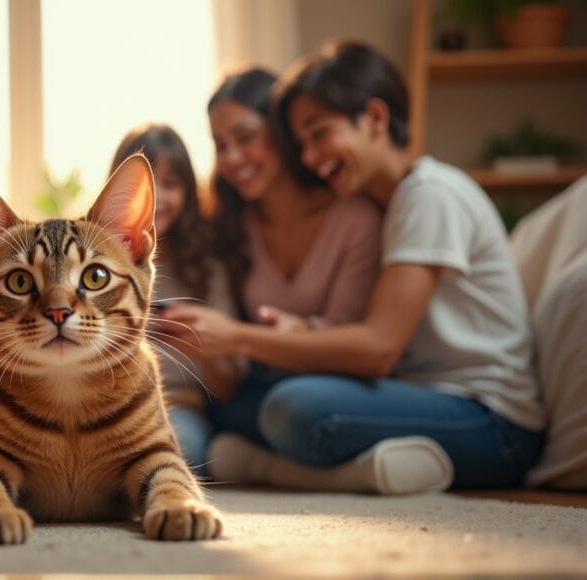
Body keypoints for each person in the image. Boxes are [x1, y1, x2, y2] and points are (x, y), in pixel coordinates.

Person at [159, 41, 544, 494]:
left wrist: (238, 336)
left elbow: (378, 349)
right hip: (417, 393)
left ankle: (276, 467)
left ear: (376, 119)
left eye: (319, 134)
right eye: (301, 142)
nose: (309, 157)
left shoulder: (430, 195)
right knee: (231, 405)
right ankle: (343, 462)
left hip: (491, 420)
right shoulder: (389, 202)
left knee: (295, 410)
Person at [109, 124, 243, 472]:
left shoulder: (208, 268)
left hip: (178, 405)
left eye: (169, 184)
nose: (156, 198)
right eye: (144, 186)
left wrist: (205, 346)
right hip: (102, 402)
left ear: (188, 191)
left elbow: (226, 386)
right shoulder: (100, 267)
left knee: (181, 453)